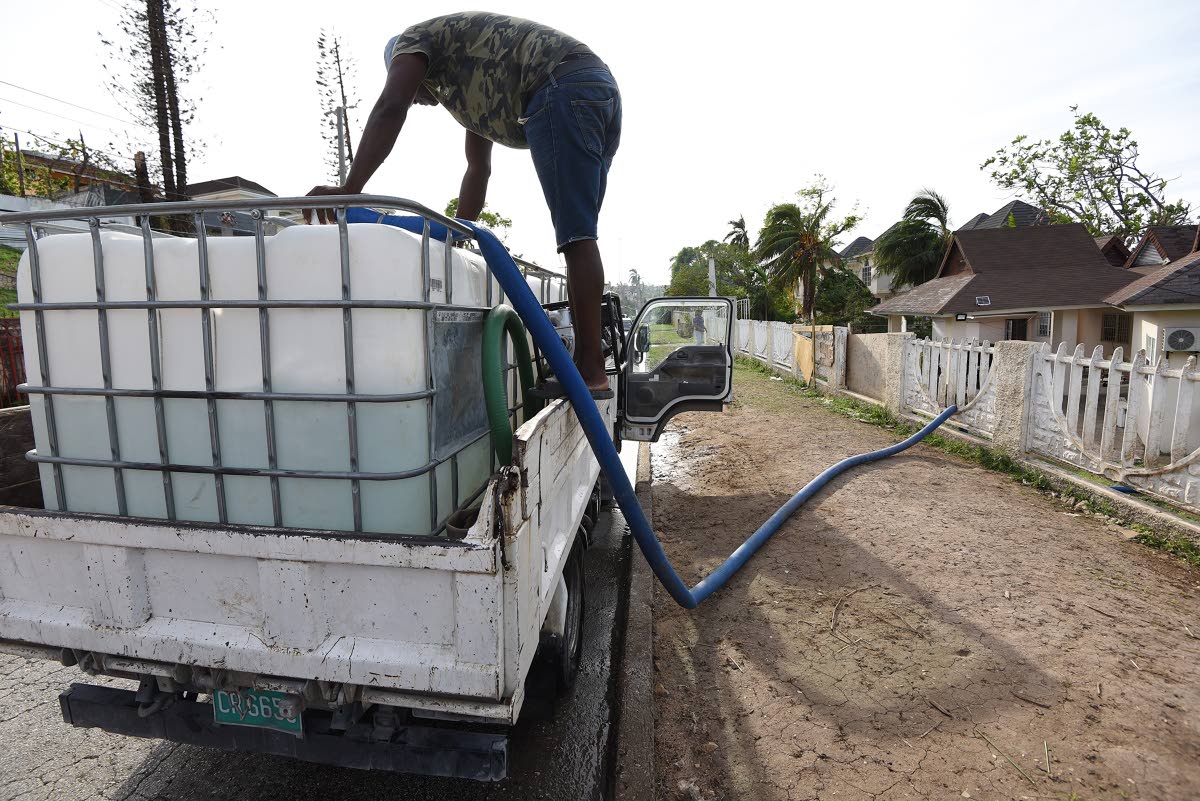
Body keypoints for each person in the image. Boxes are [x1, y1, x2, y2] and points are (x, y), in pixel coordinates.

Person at [305, 12, 621, 400]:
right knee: (579, 235)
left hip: (562, 85)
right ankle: (586, 364)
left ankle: (590, 371)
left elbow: (391, 107)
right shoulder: (468, 86)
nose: (417, 99)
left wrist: (349, 191)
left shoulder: (412, 42)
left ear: (405, 65)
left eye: (406, 80)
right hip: (594, 88)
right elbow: (478, 170)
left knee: (576, 236)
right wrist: (458, 234)